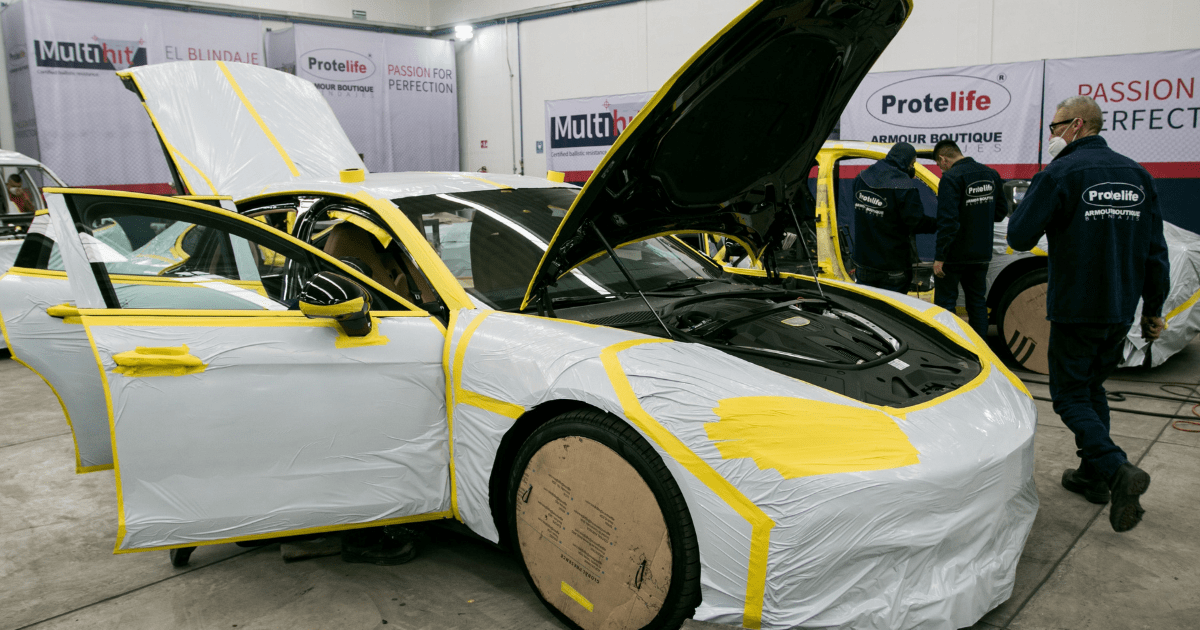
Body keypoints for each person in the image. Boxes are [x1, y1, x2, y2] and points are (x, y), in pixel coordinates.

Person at [1008, 95, 1169, 533]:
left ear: (1077, 125)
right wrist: (1153, 310)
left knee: (1070, 395)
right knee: (1092, 387)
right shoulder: (1138, 175)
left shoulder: (1059, 173)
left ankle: (1117, 470)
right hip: (1120, 309)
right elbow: (1156, 251)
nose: (1052, 135)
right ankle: (1093, 477)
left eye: (1055, 126)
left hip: (1076, 307)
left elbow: (1019, 237)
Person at [931, 140, 1006, 338]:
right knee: (977, 302)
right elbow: (1000, 213)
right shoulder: (991, 174)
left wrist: (940, 257)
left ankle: (950, 348)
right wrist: (979, 215)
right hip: (981, 253)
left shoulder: (951, 178)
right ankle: (981, 349)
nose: (941, 169)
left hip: (954, 255)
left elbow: (948, 222)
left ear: (943, 159)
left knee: (946, 304)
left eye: (939, 165)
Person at [852, 142, 936, 292]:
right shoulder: (904, 186)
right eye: (912, 163)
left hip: (863, 263)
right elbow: (916, 222)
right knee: (890, 306)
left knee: (866, 304)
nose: (912, 167)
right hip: (892, 266)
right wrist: (939, 223)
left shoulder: (862, 178)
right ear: (905, 161)